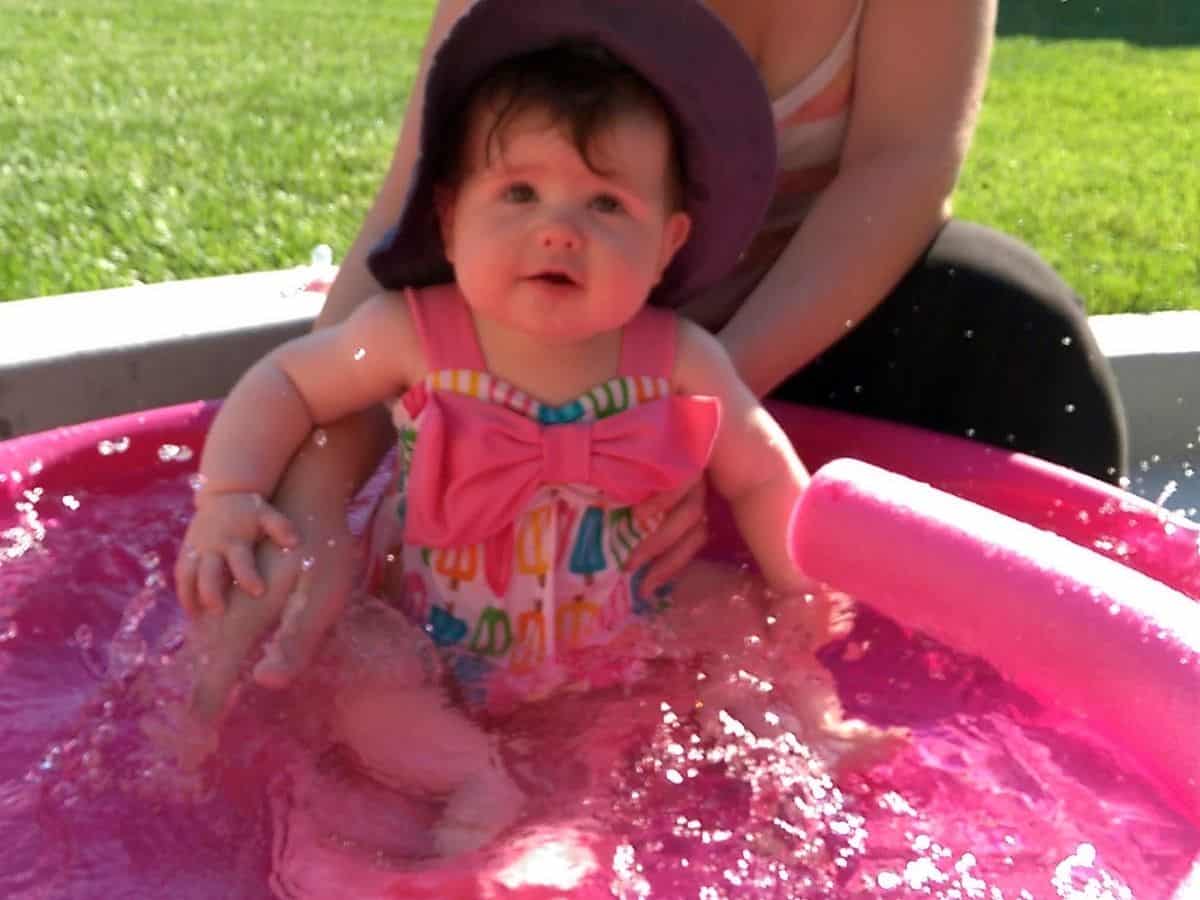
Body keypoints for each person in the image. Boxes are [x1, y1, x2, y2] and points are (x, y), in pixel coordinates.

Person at [181, 0, 1127, 719]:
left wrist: (687, 413)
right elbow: (407, 218)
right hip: (528, 341)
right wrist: (312, 501)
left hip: (782, 328)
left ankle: (1042, 700)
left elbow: (905, 167)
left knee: (1010, 322)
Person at [175, 0, 894, 851]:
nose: (558, 228)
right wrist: (230, 495)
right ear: (449, 217)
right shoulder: (416, 334)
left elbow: (762, 472)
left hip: (618, 624)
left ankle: (807, 733)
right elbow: (286, 384)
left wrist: (796, 588)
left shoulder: (678, 357)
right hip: (434, 630)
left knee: (737, 618)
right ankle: (468, 779)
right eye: (519, 192)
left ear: (667, 245)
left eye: (606, 205)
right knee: (360, 673)